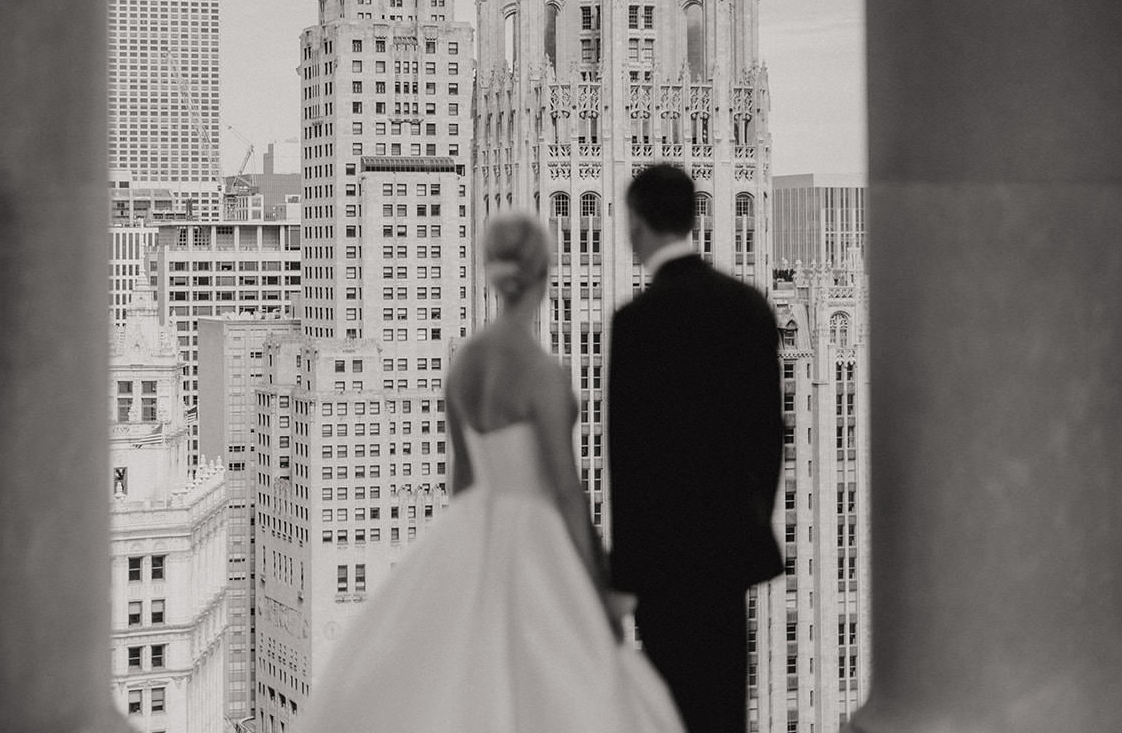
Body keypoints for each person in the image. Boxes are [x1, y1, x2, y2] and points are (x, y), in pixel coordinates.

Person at [294, 211, 682, 733]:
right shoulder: (542, 372)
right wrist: (599, 589)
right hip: (537, 538)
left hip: (474, 528)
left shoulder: (464, 363)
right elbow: (567, 490)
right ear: (545, 274)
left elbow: (463, 482)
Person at [608, 163, 785, 733]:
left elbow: (628, 460)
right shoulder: (750, 307)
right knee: (723, 706)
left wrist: (628, 574)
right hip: (728, 558)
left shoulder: (636, 322)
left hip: (664, 568)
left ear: (636, 222)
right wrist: (751, 522)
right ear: (694, 218)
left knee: (670, 713)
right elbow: (769, 437)